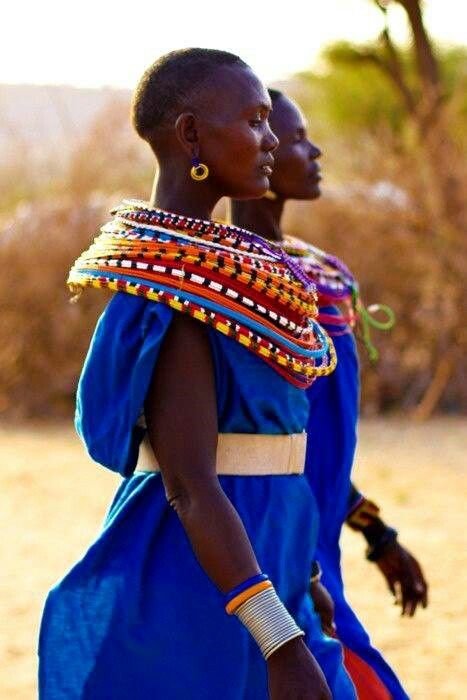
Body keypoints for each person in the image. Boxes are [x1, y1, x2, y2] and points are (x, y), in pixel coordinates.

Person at [38, 50, 357, 699]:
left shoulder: (217, 282)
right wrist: (281, 641)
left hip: (265, 559)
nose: (269, 140)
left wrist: (308, 577)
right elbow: (190, 484)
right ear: (191, 136)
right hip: (203, 584)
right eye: (254, 120)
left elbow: (271, 465)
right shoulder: (176, 298)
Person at [231, 88, 428, 699]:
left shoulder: (316, 272)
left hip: (314, 536)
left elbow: (317, 445)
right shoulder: (232, 288)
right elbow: (254, 447)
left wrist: (374, 530)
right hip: (268, 541)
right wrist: (298, 568)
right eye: (293, 138)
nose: (312, 151)